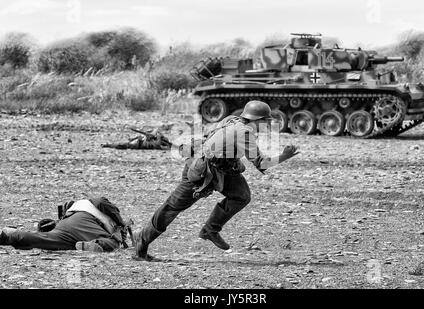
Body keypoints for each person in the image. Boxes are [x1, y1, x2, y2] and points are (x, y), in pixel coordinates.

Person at [134, 100, 298, 261]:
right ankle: (142, 240)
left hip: (223, 169)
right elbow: (262, 163)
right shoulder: (245, 133)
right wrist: (285, 156)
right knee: (173, 207)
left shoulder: (231, 120)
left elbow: (210, 136)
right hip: (202, 172)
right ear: (257, 120)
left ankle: (210, 230)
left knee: (241, 196)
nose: (267, 124)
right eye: (265, 121)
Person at [0, 197, 129, 252]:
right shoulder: (103, 208)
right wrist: (121, 224)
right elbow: (101, 201)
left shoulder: (76, 207)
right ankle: (94, 245)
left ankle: (9, 236)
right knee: (113, 243)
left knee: (42, 240)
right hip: (90, 229)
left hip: (66, 228)